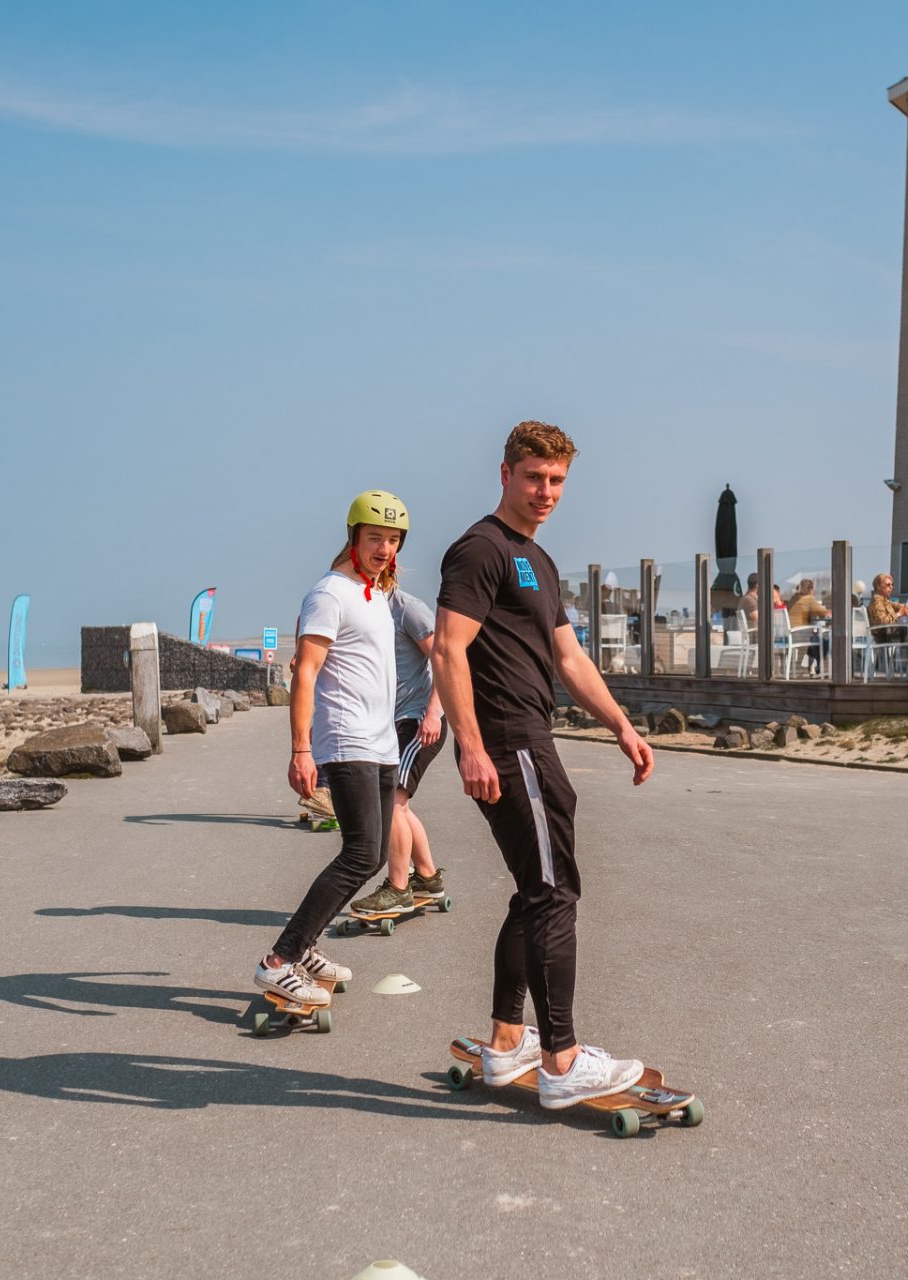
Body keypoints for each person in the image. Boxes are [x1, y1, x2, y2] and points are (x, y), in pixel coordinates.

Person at [433, 421, 656, 1109]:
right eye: (534, 478)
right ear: (505, 474)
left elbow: (569, 658)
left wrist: (619, 722)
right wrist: (471, 746)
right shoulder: (481, 550)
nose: (546, 492)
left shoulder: (537, 558)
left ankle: (507, 1042)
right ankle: (560, 1058)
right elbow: (447, 648)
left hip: (534, 740)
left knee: (535, 891)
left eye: (557, 480)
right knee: (555, 894)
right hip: (510, 743)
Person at [255, 490, 412, 1010]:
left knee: (366, 854)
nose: (385, 549)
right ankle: (280, 960)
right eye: (375, 538)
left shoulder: (374, 594)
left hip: (382, 740)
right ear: (352, 538)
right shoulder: (330, 593)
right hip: (346, 739)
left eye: (393, 540)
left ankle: (305, 949)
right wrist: (301, 750)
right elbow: (306, 673)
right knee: (362, 855)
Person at [349, 586, 448, 917]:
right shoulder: (365, 609)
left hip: (419, 721)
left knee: (391, 802)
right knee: (399, 806)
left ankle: (398, 888)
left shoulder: (407, 608)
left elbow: (444, 661)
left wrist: (434, 713)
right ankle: (428, 878)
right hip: (392, 725)